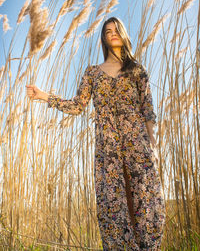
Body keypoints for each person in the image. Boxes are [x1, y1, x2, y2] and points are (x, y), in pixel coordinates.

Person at [26, 17, 165, 250]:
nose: (112, 33)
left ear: (123, 34)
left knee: (147, 204)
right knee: (113, 209)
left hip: (137, 147)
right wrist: (44, 96)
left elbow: (148, 111)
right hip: (107, 153)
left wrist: (154, 147)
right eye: (107, 31)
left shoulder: (137, 70)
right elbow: (77, 106)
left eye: (116, 29)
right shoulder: (92, 73)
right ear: (103, 38)